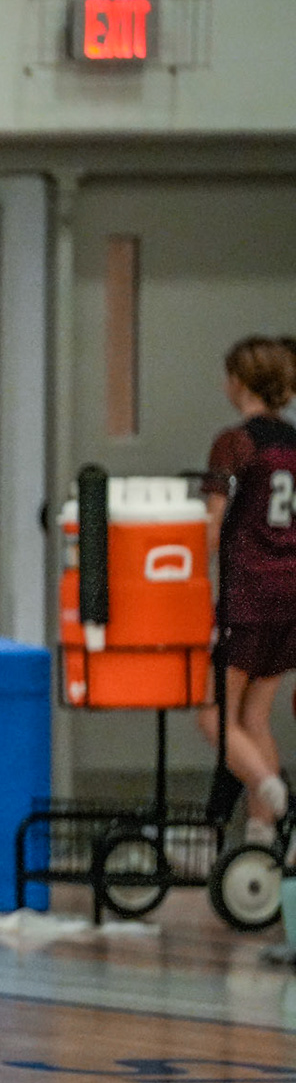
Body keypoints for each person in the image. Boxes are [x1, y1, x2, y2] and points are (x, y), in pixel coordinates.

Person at [196, 336, 296, 850]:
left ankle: (273, 793)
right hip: (291, 595)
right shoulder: (293, 443)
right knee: (255, 717)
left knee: (213, 714)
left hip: (250, 593)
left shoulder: (235, 443)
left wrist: (190, 583)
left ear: (239, 381)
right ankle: (262, 840)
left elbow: (211, 527)